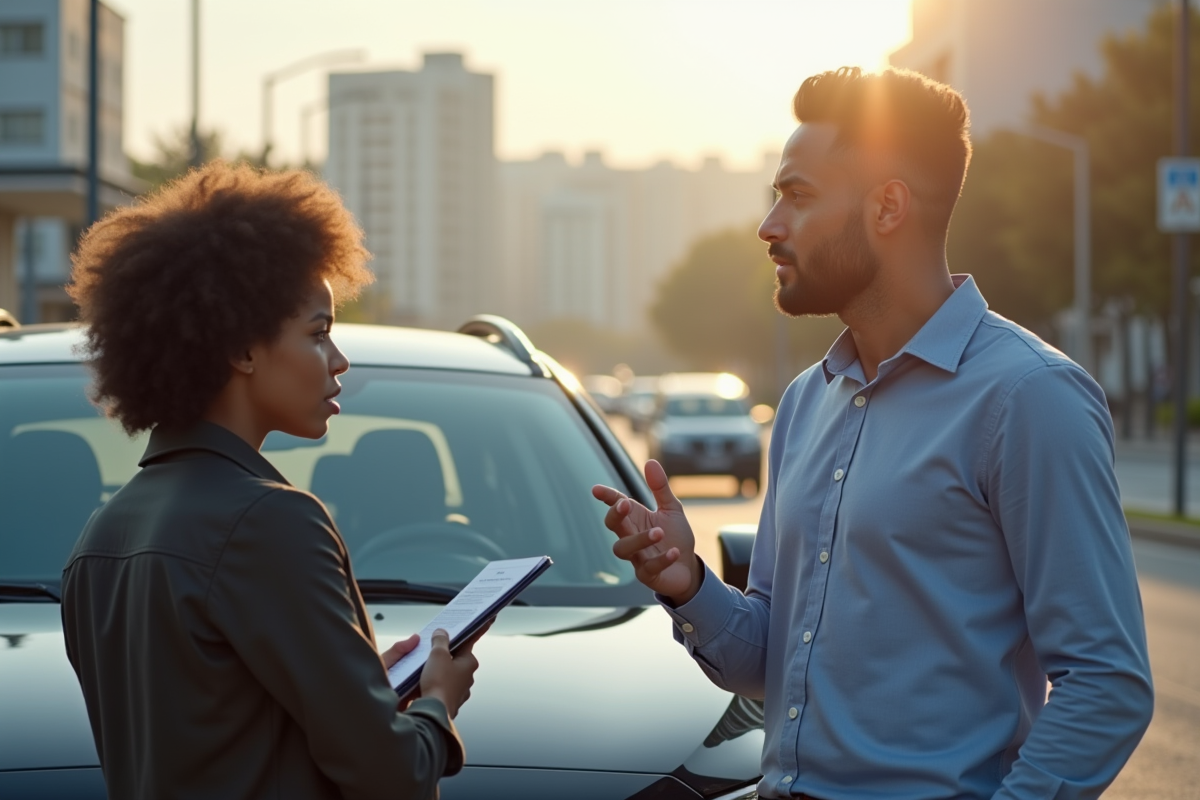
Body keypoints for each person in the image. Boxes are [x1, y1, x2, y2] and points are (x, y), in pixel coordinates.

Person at [593, 67, 1153, 799]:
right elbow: (772, 657)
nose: (769, 226)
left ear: (889, 206)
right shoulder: (804, 402)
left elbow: (1107, 683)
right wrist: (688, 584)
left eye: (797, 196)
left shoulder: (1028, 399)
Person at [61, 161, 481, 800]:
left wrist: (363, 686)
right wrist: (436, 706)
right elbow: (392, 777)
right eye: (318, 334)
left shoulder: (99, 538)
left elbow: (215, 730)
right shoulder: (272, 520)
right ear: (242, 349)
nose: (340, 360)